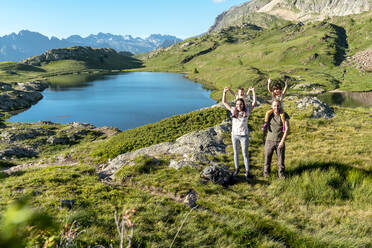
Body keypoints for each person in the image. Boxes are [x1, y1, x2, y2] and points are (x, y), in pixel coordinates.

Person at [222, 86, 256, 180]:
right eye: (237, 104)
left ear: (243, 105)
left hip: (244, 136)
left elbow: (254, 103)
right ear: (235, 105)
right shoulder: (233, 110)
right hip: (234, 135)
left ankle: (247, 171)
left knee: (245, 154)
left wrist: (253, 92)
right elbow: (224, 102)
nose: (239, 106)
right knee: (236, 153)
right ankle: (237, 169)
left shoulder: (247, 111)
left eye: (240, 104)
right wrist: (224, 92)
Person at [263, 100, 289, 179]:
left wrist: (282, 141)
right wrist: (263, 137)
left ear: (280, 106)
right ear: (272, 106)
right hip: (269, 140)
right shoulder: (269, 114)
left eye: (278, 105)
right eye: (274, 106)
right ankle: (266, 174)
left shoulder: (284, 115)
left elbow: (287, 129)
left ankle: (281, 176)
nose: (276, 107)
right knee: (267, 159)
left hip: (279, 141)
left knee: (280, 161)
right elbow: (265, 127)